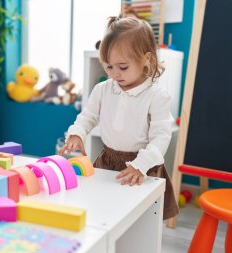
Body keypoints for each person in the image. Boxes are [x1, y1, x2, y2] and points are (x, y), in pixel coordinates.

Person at [59, 16, 179, 220]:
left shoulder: (156, 95)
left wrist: (141, 164)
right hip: (108, 160)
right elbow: (88, 116)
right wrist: (77, 133)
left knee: (142, 220)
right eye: (108, 66)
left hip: (142, 167)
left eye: (122, 67)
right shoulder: (103, 89)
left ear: (146, 59)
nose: (115, 74)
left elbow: (161, 138)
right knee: (104, 213)